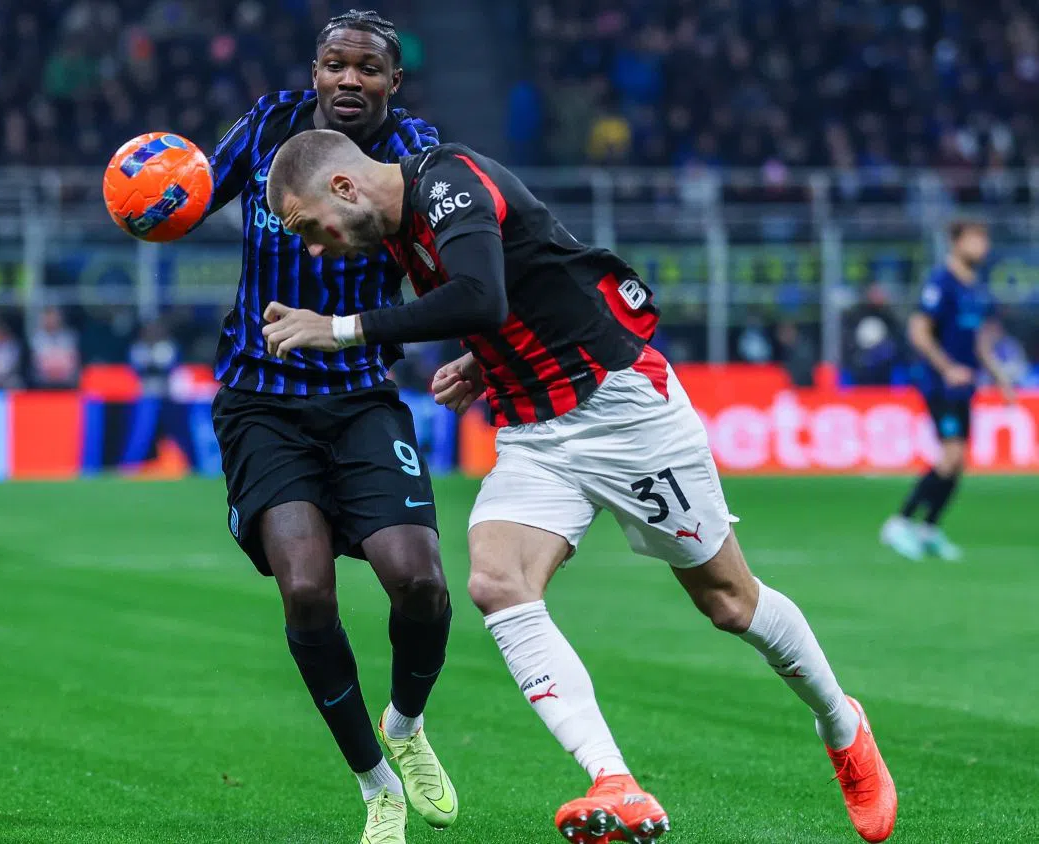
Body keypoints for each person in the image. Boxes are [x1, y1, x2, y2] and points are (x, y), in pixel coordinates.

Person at [260, 130, 898, 844]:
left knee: (728, 602)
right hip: (535, 433)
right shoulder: (400, 230)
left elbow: (481, 296)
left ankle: (842, 726)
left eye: (308, 227)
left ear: (344, 187)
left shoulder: (448, 183)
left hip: (622, 410)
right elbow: (527, 278)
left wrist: (340, 329)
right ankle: (612, 781)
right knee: (496, 581)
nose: (313, 249)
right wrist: (485, 360)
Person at [194, 10, 455, 843]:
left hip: (362, 393)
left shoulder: (414, 152)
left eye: (368, 68)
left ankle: (405, 725)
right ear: (314, 73)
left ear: (392, 83)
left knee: (420, 582)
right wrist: (151, 192)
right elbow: (189, 197)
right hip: (261, 401)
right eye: (336, 64)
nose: (349, 79)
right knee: (306, 590)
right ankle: (377, 786)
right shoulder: (267, 125)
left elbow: (455, 262)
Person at [881, 220, 1013, 561]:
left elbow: (977, 340)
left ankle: (929, 529)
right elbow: (918, 331)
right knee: (950, 455)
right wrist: (947, 368)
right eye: (974, 239)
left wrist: (998, 375)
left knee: (958, 461)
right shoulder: (941, 282)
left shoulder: (975, 287)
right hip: (940, 383)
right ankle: (899, 522)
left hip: (965, 386)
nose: (982, 246)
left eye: (984, 239)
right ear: (956, 242)